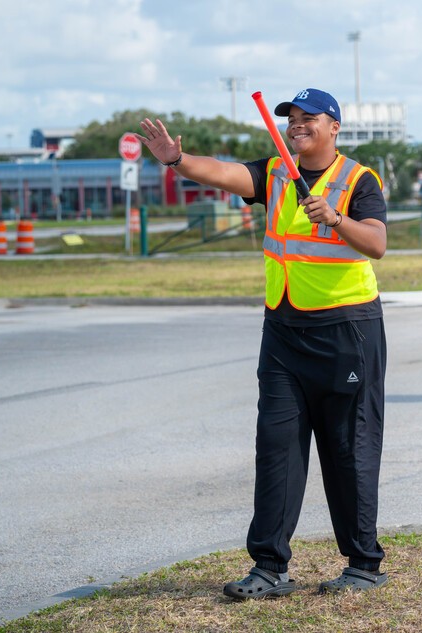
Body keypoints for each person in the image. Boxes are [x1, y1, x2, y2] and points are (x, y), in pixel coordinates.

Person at [136, 88, 388, 598]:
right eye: (291, 118)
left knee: (349, 449)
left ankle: (363, 564)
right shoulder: (274, 173)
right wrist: (178, 160)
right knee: (276, 448)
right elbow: (222, 172)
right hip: (283, 332)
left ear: (334, 126)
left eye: (308, 117)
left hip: (347, 331)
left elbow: (377, 243)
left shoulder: (358, 179)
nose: (297, 124)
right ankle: (270, 567)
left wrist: (335, 219)